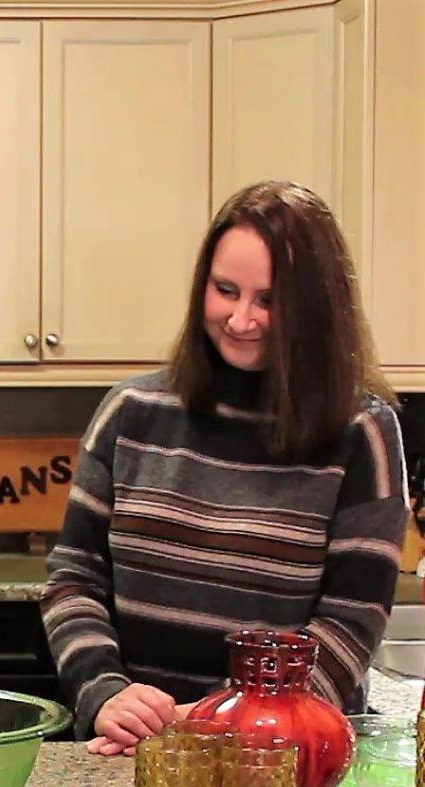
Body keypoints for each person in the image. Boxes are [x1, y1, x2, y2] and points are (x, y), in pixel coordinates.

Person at [41, 180, 410, 756]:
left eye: (269, 300)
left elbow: (350, 625)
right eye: (225, 290)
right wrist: (105, 693)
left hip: (284, 763)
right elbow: (75, 579)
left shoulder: (362, 435)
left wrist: (211, 721)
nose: (241, 319)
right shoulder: (131, 413)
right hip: (130, 753)